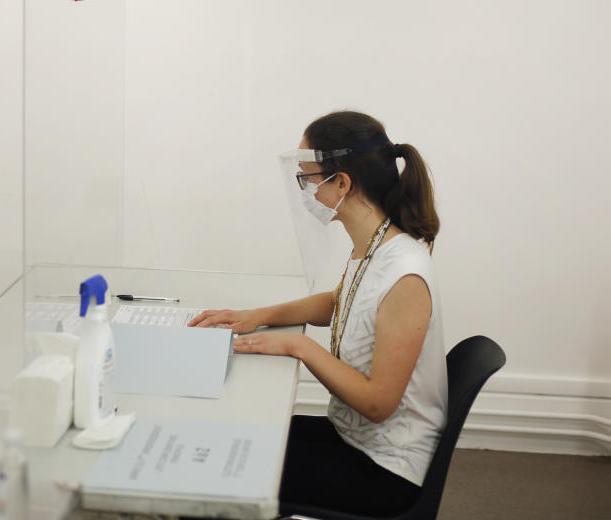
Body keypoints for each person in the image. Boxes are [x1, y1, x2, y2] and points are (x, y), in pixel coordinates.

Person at [190, 110, 446, 516]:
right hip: (350, 436)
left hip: (383, 468)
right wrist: (256, 315)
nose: (305, 188)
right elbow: (340, 300)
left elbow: (379, 403)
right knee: (233, 436)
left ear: (341, 182)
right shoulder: (375, 243)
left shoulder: (404, 274)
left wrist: (299, 346)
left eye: (307, 177)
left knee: (224, 471)